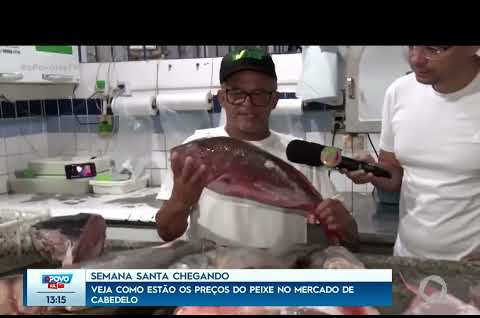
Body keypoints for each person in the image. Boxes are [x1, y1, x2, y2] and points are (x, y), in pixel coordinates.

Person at [155, 47, 358, 249]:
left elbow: (350, 239)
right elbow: (166, 232)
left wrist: (345, 224)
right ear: (222, 98)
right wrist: (179, 202)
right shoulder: (195, 152)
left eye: (260, 94)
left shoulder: (300, 153)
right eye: (236, 93)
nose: (247, 104)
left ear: (274, 100)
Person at [345, 46, 480, 261]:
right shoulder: (399, 92)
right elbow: (394, 173)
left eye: (435, 48)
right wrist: (373, 172)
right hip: (407, 260)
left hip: (471, 272)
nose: (416, 59)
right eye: (411, 45)